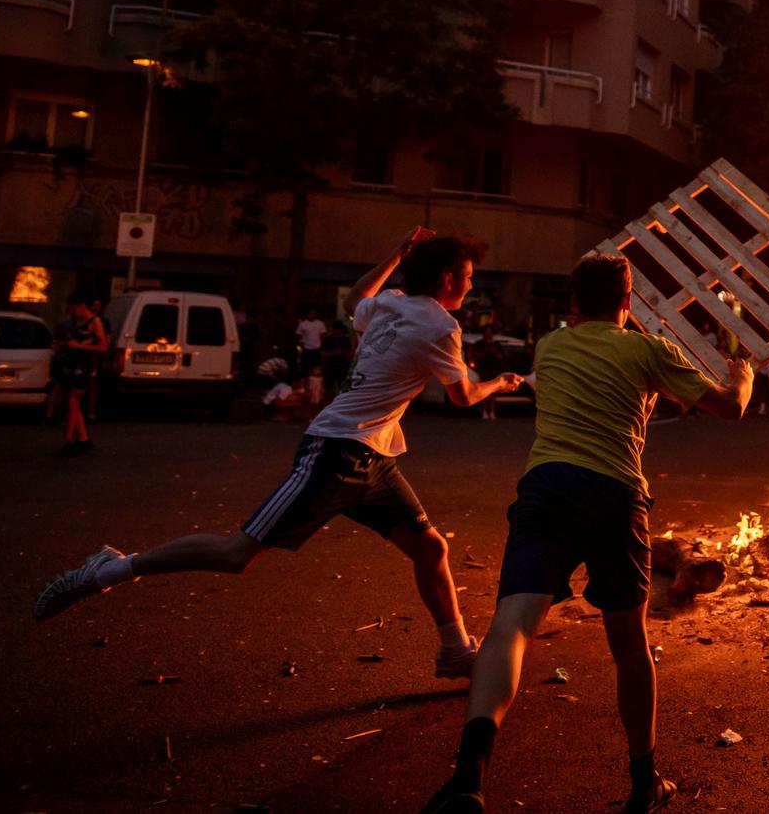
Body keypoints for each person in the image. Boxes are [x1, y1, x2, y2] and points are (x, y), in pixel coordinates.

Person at [33, 229, 523, 684]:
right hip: (336, 453)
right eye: (469, 278)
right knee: (236, 554)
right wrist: (500, 383)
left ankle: (456, 650)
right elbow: (462, 397)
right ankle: (108, 569)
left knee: (431, 548)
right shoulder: (440, 325)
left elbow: (356, 297)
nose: (471, 286)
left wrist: (398, 251)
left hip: (371, 457)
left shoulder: (391, 305)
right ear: (448, 279)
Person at [421, 252, 754, 814]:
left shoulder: (550, 347)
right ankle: (643, 780)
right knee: (629, 646)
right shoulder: (648, 350)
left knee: (512, 628)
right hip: (615, 495)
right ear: (627, 302)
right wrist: (740, 377)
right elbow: (729, 409)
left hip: (546, 487)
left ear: (572, 303)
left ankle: (468, 778)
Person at [52, 293, 107, 458]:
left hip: (83, 367)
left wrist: (79, 347)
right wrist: (62, 345)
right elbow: (73, 343)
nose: (71, 312)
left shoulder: (94, 322)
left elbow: (102, 347)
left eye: (72, 308)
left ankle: (68, 441)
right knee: (70, 403)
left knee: (72, 403)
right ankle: (83, 439)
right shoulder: (76, 321)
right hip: (70, 365)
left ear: (81, 306)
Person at [295, 307, 329, 405]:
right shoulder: (303, 324)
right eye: (310, 313)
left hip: (317, 348)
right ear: (307, 314)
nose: (312, 315)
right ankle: (306, 387)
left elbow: (323, 335)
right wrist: (301, 345)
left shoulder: (320, 323)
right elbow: (299, 335)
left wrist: (321, 346)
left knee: (317, 369)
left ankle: (318, 388)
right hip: (306, 348)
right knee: (305, 369)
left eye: (314, 313)